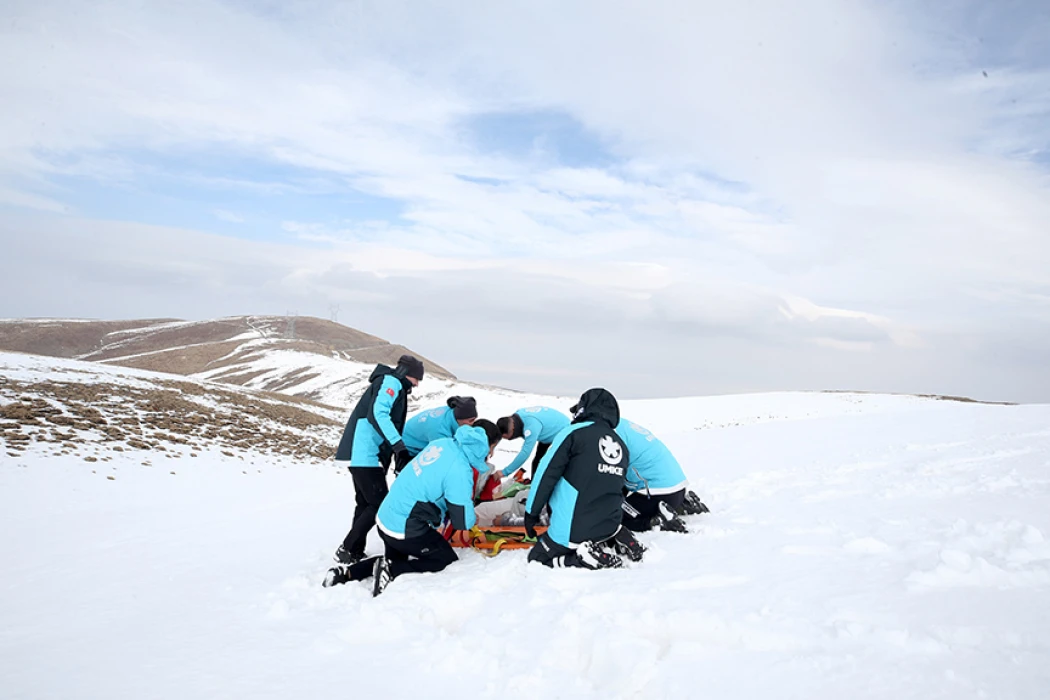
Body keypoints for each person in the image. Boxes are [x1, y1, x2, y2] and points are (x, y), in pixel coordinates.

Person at [323, 420, 503, 596]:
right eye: (493, 448)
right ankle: (392, 571)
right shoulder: (461, 469)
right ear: (485, 446)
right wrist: (472, 517)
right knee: (444, 559)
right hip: (404, 528)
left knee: (395, 558)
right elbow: (462, 521)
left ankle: (346, 574)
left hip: (386, 517)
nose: (492, 454)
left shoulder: (443, 443)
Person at [524, 388, 644, 570]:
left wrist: (531, 514)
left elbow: (545, 475)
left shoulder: (572, 433)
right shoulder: (621, 445)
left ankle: (578, 559)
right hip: (609, 525)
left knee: (536, 558)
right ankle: (617, 538)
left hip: (573, 529)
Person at [331, 354, 424, 565]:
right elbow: (378, 414)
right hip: (367, 455)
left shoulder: (390, 383)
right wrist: (398, 446)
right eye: (416, 379)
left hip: (364, 455)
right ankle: (347, 547)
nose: (417, 384)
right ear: (406, 374)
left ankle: (353, 551)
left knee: (364, 504)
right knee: (380, 504)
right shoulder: (390, 382)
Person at [615, 419, 691, 533]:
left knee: (611, 516)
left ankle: (656, 522)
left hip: (657, 494)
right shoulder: (623, 424)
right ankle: (683, 503)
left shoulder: (610, 434)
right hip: (678, 488)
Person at [398, 396, 478, 473]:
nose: (472, 424)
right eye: (470, 420)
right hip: (408, 449)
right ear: (460, 418)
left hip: (422, 440)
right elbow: (443, 458)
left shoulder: (452, 413)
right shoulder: (439, 430)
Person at [495, 406, 570, 480]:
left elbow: (525, 453)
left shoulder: (531, 427)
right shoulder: (516, 417)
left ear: (512, 429)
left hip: (564, 433)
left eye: (507, 437)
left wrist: (505, 472)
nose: (508, 440)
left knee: (552, 463)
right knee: (537, 460)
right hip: (548, 429)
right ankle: (533, 484)